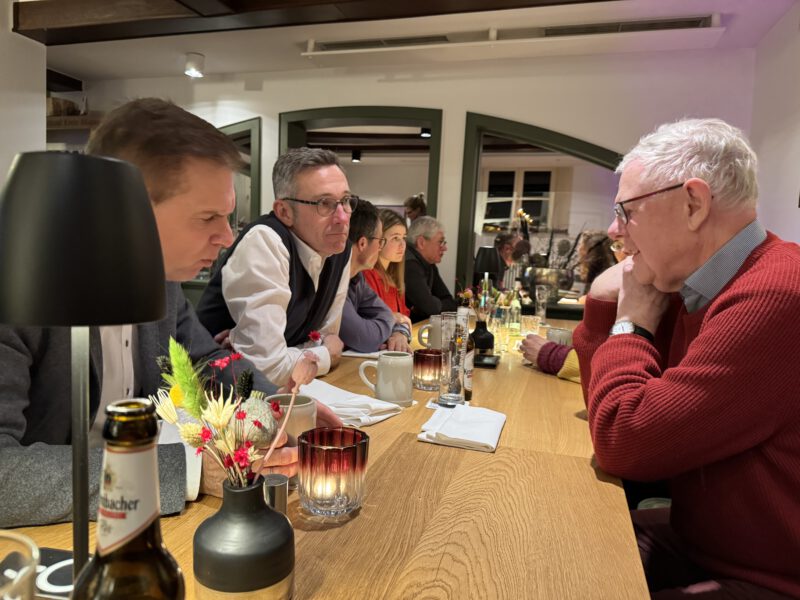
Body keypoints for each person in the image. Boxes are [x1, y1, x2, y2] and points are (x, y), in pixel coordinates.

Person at [0, 99, 338, 528]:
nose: (226, 236)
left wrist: (272, 405)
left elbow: (202, 361)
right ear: (123, 207)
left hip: (133, 527)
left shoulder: (156, 275)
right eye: (208, 217)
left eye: (228, 215)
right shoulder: (18, 283)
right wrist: (188, 472)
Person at [574, 118, 800, 598]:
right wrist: (601, 303)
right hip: (707, 543)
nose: (614, 230)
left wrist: (629, 322)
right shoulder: (695, 289)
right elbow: (607, 411)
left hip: (771, 577)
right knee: (560, 536)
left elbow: (624, 438)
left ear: (693, 204)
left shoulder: (776, 294)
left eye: (626, 210)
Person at [196, 147, 352, 387]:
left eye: (346, 201)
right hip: (209, 399)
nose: (342, 217)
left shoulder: (339, 250)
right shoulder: (265, 241)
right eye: (325, 203)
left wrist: (295, 352)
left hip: (277, 394)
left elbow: (324, 337)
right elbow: (265, 368)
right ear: (284, 212)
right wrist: (324, 356)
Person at [520, 231, 621, 381]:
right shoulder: (614, 280)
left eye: (620, 245)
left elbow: (607, 364)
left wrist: (552, 355)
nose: (579, 253)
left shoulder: (615, 285)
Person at [340, 201, 411, 353]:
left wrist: (399, 331)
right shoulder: (338, 279)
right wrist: (392, 320)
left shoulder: (358, 278)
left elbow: (391, 315)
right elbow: (365, 337)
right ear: (363, 243)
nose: (379, 248)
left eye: (403, 238)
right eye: (381, 241)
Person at [404, 216, 458, 322]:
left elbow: (449, 301)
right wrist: (429, 307)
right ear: (421, 242)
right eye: (440, 242)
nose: (445, 248)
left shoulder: (429, 264)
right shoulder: (409, 264)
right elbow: (431, 308)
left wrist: (426, 307)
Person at [363, 208, 410, 321]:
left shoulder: (394, 277)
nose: (402, 245)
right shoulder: (368, 274)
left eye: (403, 238)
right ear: (379, 239)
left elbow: (404, 316)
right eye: (395, 238)